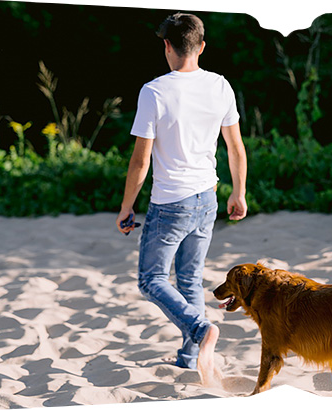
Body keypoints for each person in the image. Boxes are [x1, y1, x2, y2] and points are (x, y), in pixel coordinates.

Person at [116, 12, 248, 386]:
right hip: (207, 198)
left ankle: (198, 327)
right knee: (189, 278)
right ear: (201, 47)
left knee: (151, 279)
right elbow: (235, 147)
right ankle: (190, 358)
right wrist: (238, 192)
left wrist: (127, 207)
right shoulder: (220, 86)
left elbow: (141, 159)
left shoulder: (155, 91)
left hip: (170, 203)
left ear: (167, 46)